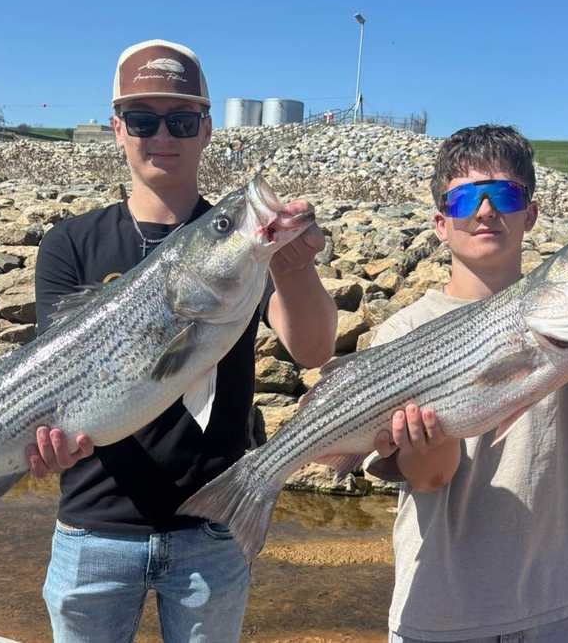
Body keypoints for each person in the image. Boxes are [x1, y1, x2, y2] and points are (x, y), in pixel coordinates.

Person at [27, 39, 337, 643]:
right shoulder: (70, 244)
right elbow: (51, 379)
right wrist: (41, 442)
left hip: (213, 529)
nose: (162, 134)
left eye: (182, 119)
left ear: (207, 129)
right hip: (91, 529)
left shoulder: (245, 248)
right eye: (143, 119)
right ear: (118, 129)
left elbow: (314, 351)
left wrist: (294, 266)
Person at [364, 124, 568, 643]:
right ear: (440, 223)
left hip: (550, 605)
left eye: (505, 193)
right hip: (438, 608)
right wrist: (427, 441)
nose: (486, 209)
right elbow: (429, 480)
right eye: (466, 196)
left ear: (531, 214)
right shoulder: (402, 330)